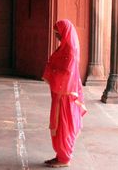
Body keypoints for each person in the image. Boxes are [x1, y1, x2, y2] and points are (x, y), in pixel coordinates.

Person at [42, 19, 87, 168]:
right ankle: (60, 155)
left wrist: (52, 71)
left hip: (65, 95)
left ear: (65, 33)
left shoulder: (70, 50)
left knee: (64, 125)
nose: (57, 37)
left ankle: (64, 158)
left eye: (58, 34)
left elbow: (67, 74)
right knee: (58, 124)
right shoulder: (64, 48)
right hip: (60, 93)